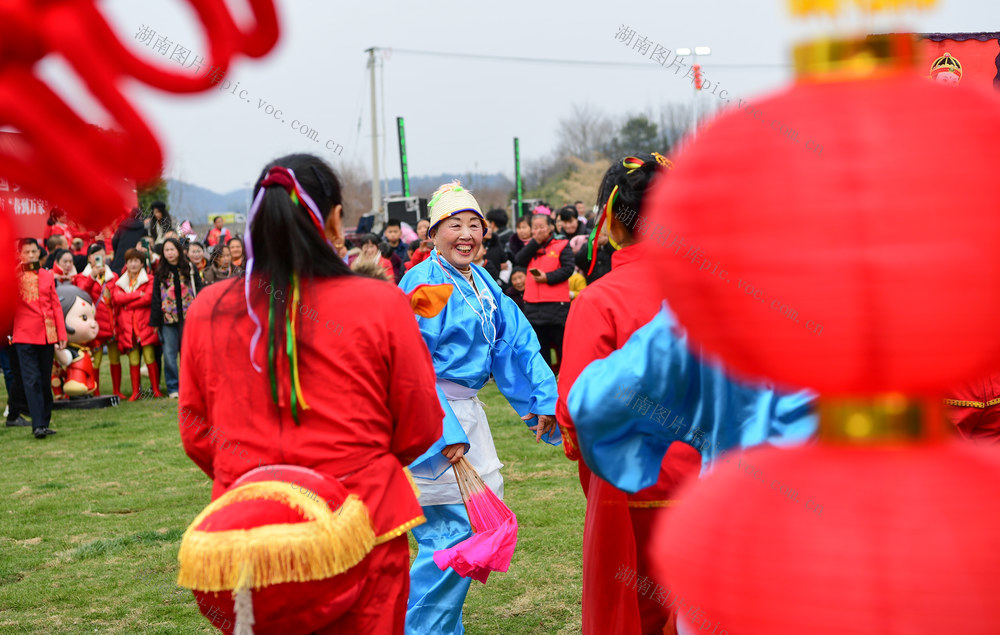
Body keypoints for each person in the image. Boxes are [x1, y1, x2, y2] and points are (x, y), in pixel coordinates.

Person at [178, 153, 443, 633]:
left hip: (250, 539)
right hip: (364, 526)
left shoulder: (207, 308)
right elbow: (421, 424)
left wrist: (260, 478)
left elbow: (198, 435)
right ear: (336, 219)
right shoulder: (380, 303)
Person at [563, 156, 817, 635]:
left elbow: (578, 414)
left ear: (613, 219)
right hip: (721, 481)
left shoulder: (600, 300)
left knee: (639, 613)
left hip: (633, 497)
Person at [398, 180, 560, 635]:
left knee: (461, 538)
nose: (466, 233)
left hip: (464, 415)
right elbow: (409, 360)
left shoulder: (481, 281)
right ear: (432, 233)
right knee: (452, 539)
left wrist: (543, 399)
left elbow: (517, 345)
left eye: (474, 224)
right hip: (432, 421)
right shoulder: (426, 283)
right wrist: (441, 429)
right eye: (455, 224)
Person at [12, 238, 66, 439]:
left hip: (47, 335)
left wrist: (61, 333)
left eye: (34, 251)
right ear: (20, 255)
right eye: (27, 252)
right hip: (24, 336)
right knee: (31, 380)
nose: (32, 255)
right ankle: (38, 425)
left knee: (44, 381)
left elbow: (56, 306)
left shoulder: (46, 275)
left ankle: (44, 420)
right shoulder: (13, 278)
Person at [512, 213, 574, 374]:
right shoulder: (531, 247)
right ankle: (546, 382)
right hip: (533, 307)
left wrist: (548, 277)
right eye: (535, 227)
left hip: (557, 306)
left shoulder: (562, 245)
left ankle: (566, 378)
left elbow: (568, 268)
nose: (538, 230)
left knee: (563, 348)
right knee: (541, 349)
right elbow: (519, 260)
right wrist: (535, 243)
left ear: (550, 227)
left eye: (541, 226)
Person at [151, 237, 203, 398]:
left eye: (172, 249)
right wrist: (155, 322)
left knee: (188, 354)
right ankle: (173, 387)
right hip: (168, 320)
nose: (170, 253)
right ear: (163, 253)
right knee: (169, 354)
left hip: (189, 318)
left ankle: (190, 386)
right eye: (166, 250)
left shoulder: (190, 268)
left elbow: (199, 291)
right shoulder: (160, 272)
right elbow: (156, 298)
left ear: (179, 251)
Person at [112, 248, 161, 400]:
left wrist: (128, 303)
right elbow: (116, 299)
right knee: (133, 359)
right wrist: (136, 295)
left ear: (141, 263)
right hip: (128, 327)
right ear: (126, 263)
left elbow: (148, 298)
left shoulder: (150, 279)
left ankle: (155, 389)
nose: (133, 264)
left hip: (144, 325)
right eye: (130, 261)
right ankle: (136, 392)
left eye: (136, 261)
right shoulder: (121, 281)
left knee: (149, 356)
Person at [74, 243, 121, 397]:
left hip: (112, 322)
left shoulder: (113, 276)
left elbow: (117, 296)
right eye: (96, 255)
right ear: (89, 258)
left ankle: (117, 391)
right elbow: (82, 293)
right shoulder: (82, 276)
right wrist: (92, 277)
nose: (100, 258)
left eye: (103, 254)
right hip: (95, 324)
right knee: (97, 360)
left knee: (115, 358)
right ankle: (96, 391)